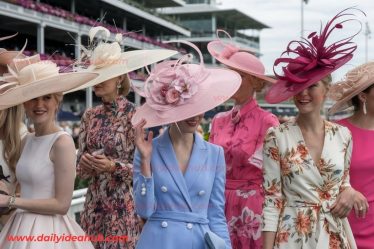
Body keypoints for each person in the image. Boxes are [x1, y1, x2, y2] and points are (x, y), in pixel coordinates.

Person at [262, 8, 361, 249]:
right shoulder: (276, 137)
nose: (303, 94)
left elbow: (343, 182)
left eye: (312, 86)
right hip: (292, 238)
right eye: (298, 87)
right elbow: (272, 201)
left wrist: (349, 191)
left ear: (326, 89)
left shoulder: (343, 135)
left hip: (335, 236)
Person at [131, 41, 242, 249]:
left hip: (197, 242)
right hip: (159, 242)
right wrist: (145, 161)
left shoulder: (215, 154)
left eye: (199, 108)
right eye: (188, 110)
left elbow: (216, 214)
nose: (196, 116)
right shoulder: (147, 150)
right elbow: (144, 211)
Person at [75, 26, 177, 249]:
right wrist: (86, 164)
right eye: (96, 74)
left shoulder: (136, 115)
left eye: (105, 75)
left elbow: (148, 170)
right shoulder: (89, 116)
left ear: (120, 77)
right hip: (93, 206)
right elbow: (79, 170)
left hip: (124, 208)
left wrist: (112, 166)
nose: (98, 81)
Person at [0, 54, 98, 248]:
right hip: (19, 226)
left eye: (47, 98)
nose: (39, 105)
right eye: (33, 98)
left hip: (49, 232)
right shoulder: (26, 139)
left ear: (57, 101)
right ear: (24, 103)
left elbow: (62, 205)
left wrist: (11, 201)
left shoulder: (62, 142)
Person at [207, 30, 279, 249]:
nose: (229, 81)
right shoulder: (218, 120)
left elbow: (274, 179)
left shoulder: (268, 122)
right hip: (217, 204)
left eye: (236, 76)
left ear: (253, 82)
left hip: (251, 208)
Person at [328, 62, 374, 249]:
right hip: (345, 226)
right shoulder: (336, 132)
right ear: (363, 96)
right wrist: (347, 190)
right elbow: (321, 178)